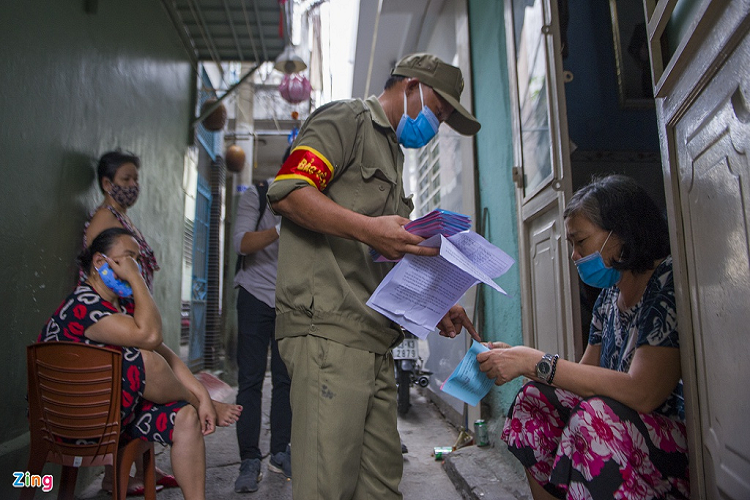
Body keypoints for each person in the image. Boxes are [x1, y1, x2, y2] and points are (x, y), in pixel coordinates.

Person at [267, 53, 481, 499]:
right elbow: (288, 193)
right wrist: (369, 228)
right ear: (410, 86)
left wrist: (436, 299)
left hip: (372, 337)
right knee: (326, 485)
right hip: (327, 330)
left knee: (381, 485)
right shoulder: (346, 121)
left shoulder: (393, 155)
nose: (434, 126)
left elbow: (382, 250)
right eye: (437, 113)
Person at [477, 175, 689, 499]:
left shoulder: (666, 283)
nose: (575, 256)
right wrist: (519, 358)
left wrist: (533, 361)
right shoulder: (609, 296)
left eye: (581, 242)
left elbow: (644, 392)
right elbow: (585, 377)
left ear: (621, 235)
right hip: (618, 426)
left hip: (671, 443)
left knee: (594, 417)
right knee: (534, 399)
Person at [84, 150, 241, 494]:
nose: (133, 186)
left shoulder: (122, 218)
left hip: (132, 317)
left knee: (161, 361)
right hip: (120, 319)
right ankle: (200, 402)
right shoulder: (104, 225)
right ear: (107, 184)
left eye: (135, 179)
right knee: (151, 364)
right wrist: (133, 290)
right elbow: (106, 276)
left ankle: (137, 471)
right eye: (125, 180)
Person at [39, 228, 215, 500]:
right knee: (145, 361)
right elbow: (151, 336)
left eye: (137, 261)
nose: (135, 266)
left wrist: (202, 395)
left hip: (112, 418)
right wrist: (136, 278)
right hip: (71, 422)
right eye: (128, 259)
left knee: (186, 418)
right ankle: (196, 402)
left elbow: (164, 350)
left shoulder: (119, 309)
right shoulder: (84, 303)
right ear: (100, 263)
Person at [232, 152, 292, 493]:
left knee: (285, 381)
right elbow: (242, 243)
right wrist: (282, 228)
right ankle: (248, 458)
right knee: (250, 381)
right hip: (254, 296)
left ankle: (279, 452)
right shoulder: (255, 196)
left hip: (289, 301)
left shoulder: (310, 202)